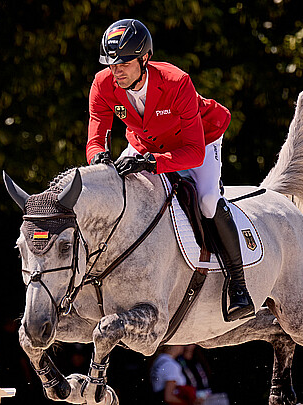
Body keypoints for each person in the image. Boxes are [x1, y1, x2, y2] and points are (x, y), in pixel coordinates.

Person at [86, 19, 254, 321]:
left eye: (124, 62)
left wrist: (152, 162)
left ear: (144, 58)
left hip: (202, 138)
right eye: (112, 63)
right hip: (144, 143)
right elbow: (96, 139)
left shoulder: (176, 81)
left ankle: (239, 287)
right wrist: (100, 161)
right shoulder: (102, 84)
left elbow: (192, 151)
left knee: (206, 200)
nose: (117, 70)